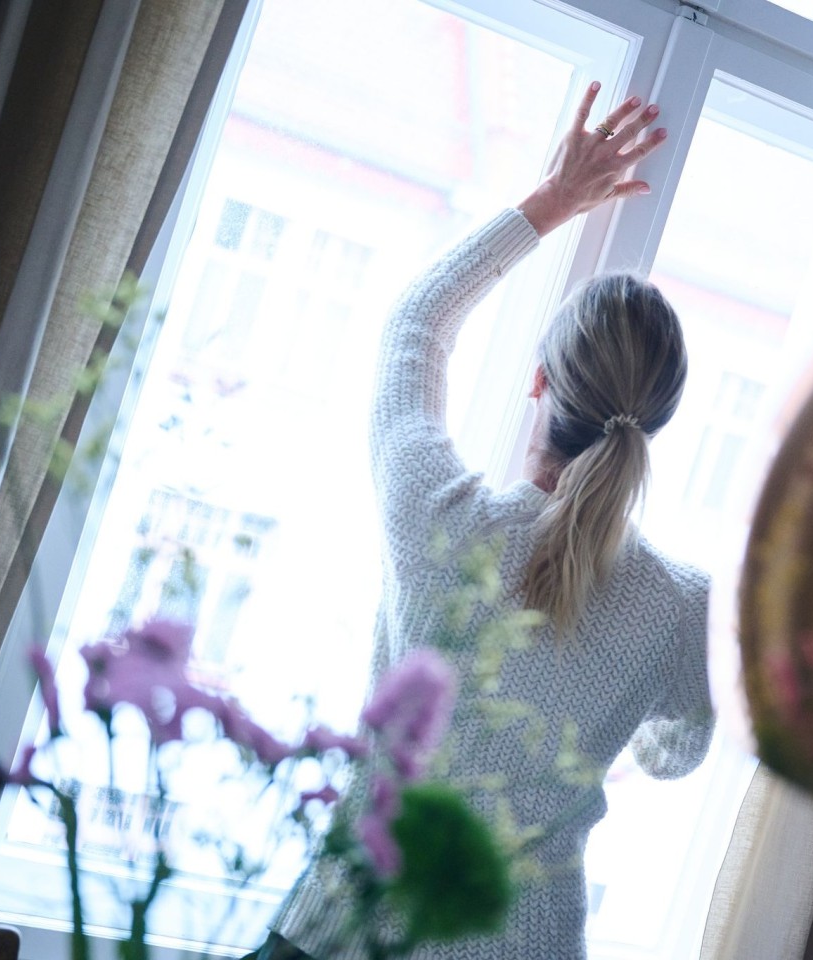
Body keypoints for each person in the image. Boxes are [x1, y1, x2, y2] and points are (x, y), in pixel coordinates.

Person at [266, 82, 714, 960]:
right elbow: (676, 756)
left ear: (540, 381)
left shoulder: (436, 518)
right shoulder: (681, 610)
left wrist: (553, 201)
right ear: (654, 429)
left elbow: (415, 328)